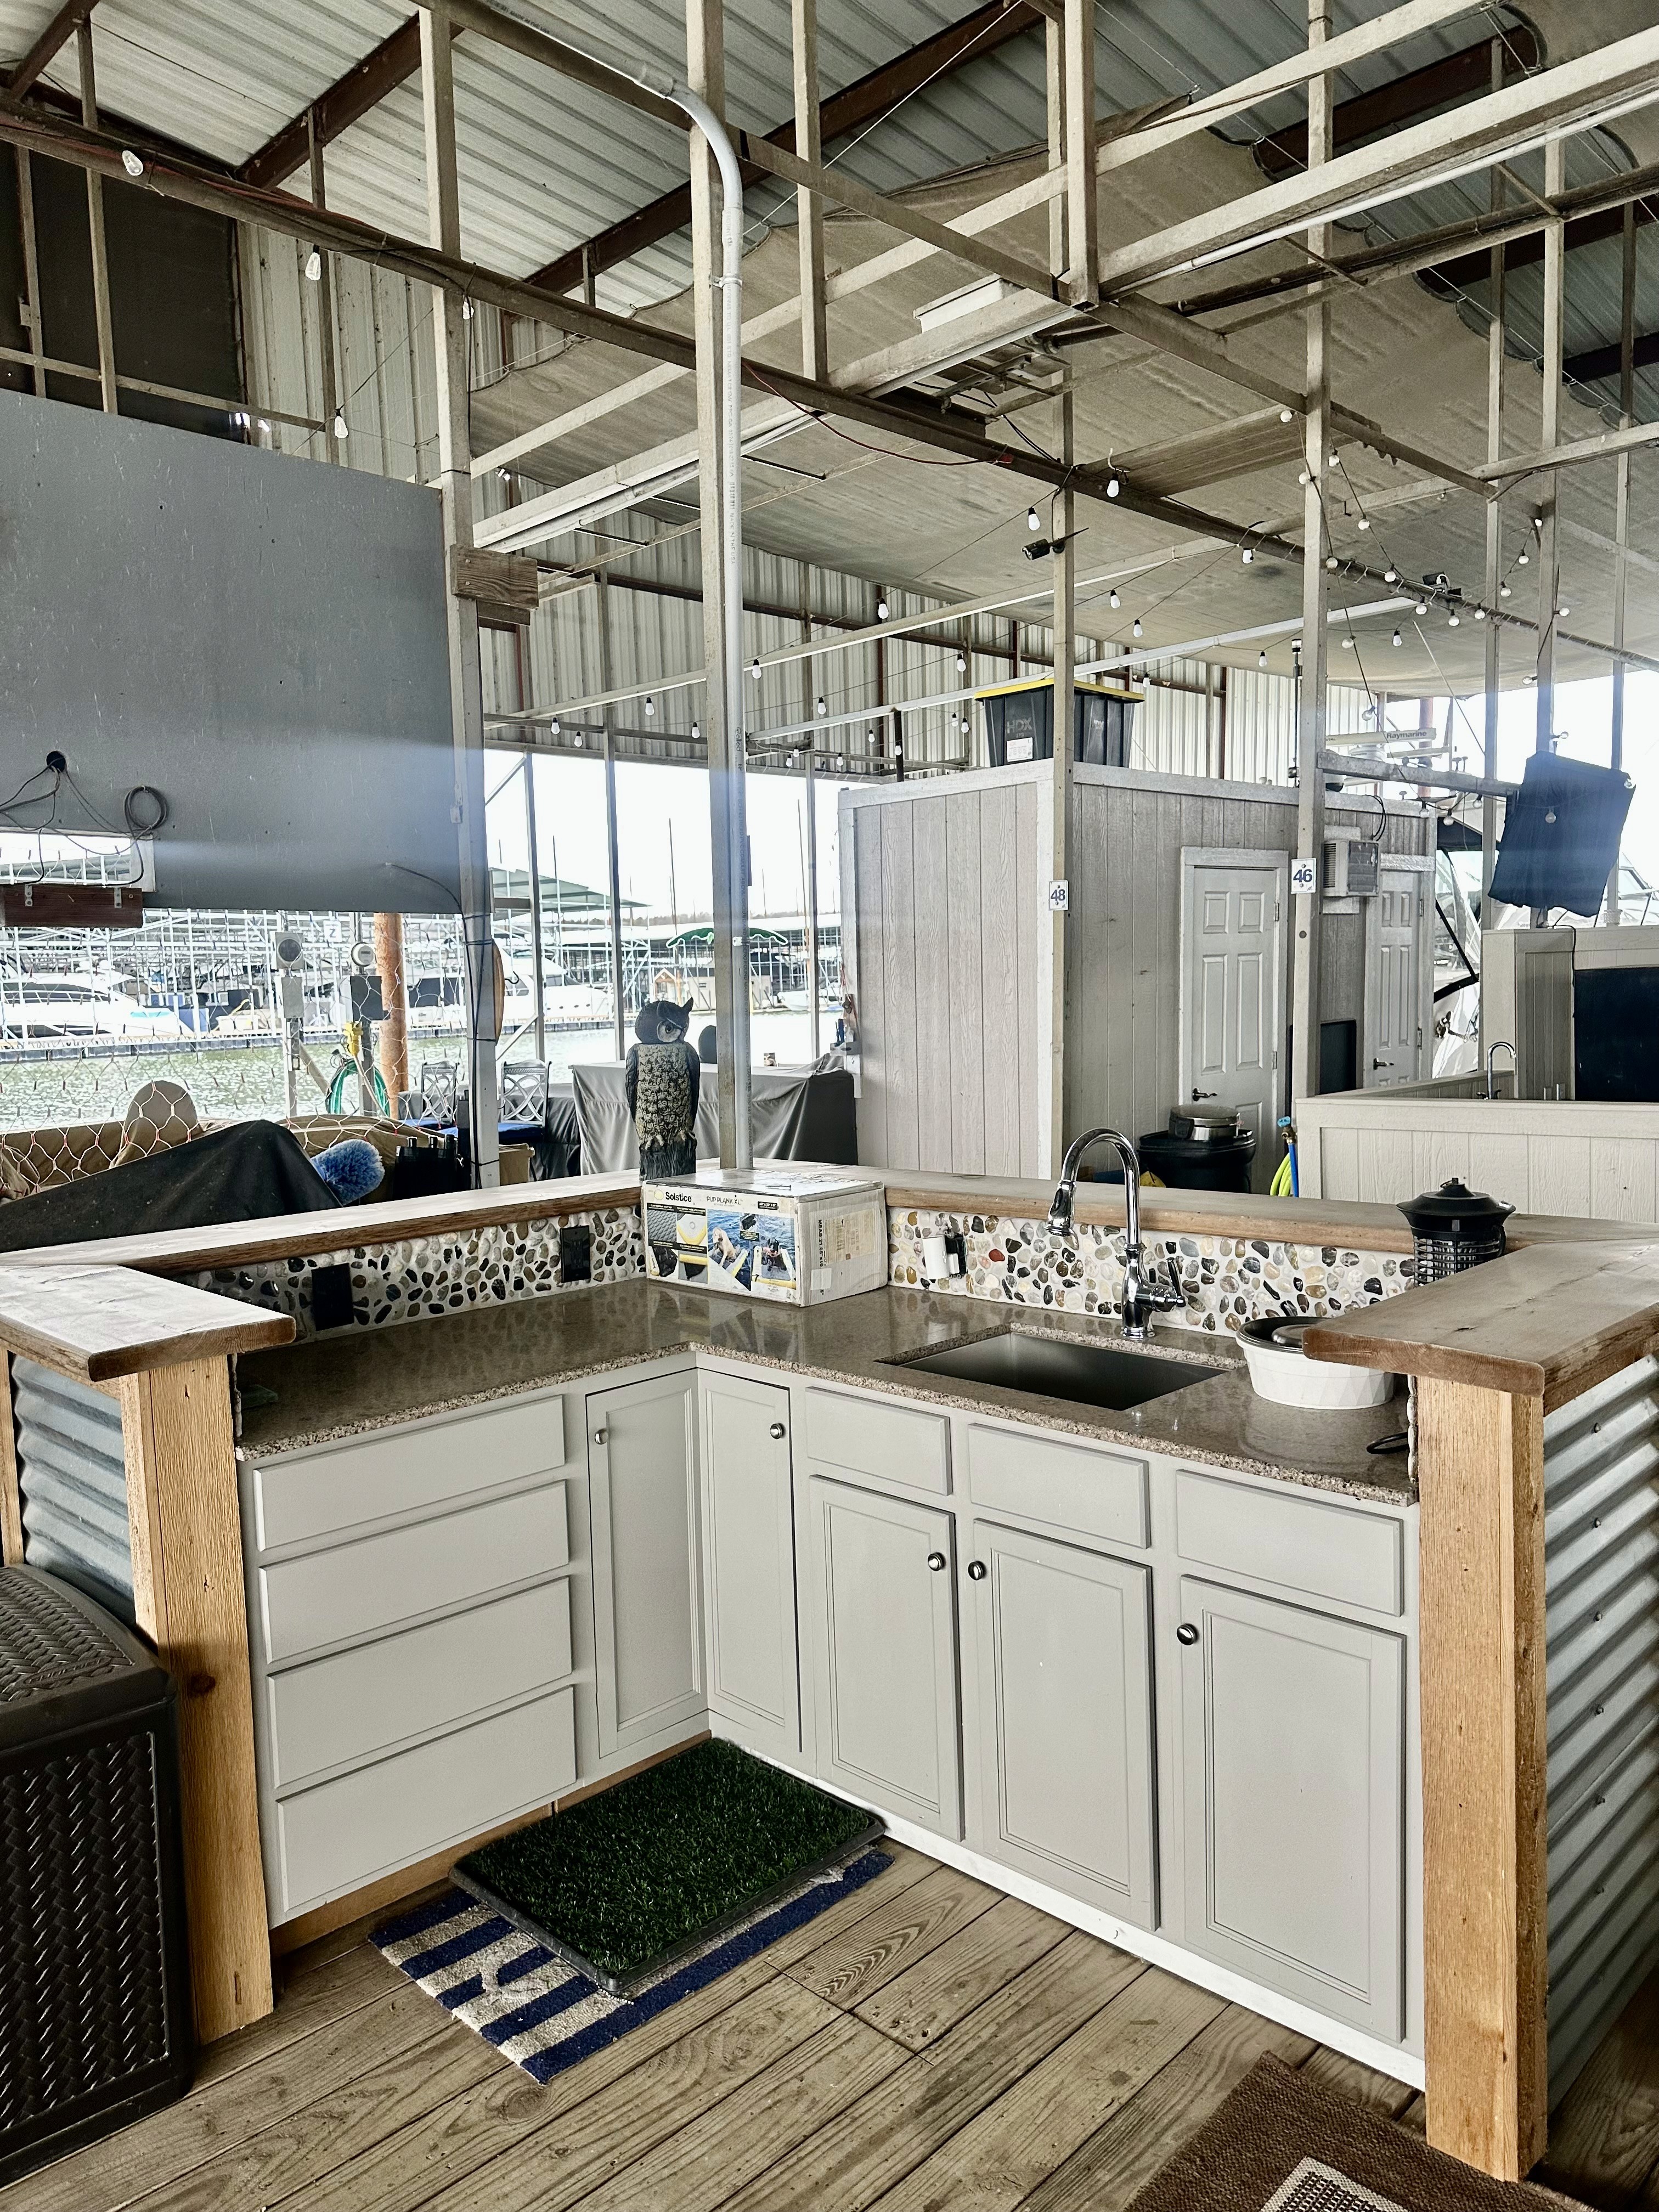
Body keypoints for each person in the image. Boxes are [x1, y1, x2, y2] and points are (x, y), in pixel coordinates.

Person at [624, 999, 701, 1179]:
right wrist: (645, 1132)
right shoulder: (637, 1053)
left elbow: (693, 1094)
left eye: (684, 1030)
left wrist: (685, 1126)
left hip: (680, 1123)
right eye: (670, 1029)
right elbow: (634, 1098)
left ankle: (680, 1130)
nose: (679, 1036)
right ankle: (651, 1135)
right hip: (650, 1125)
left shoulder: (687, 1051)